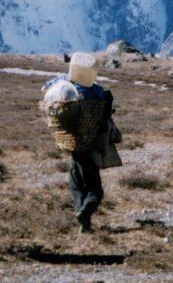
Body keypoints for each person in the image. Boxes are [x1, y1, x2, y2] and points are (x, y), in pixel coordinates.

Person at [42, 53, 121, 233]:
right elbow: (104, 111)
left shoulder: (64, 86)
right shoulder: (96, 95)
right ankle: (84, 213)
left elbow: (45, 88)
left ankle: (83, 222)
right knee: (96, 191)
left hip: (72, 147)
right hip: (88, 149)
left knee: (77, 187)